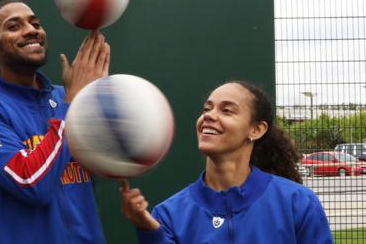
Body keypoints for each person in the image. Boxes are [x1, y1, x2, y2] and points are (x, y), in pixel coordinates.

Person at [0, 0, 110, 244]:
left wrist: (101, 108)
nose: (32, 29)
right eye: (14, 26)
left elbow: (105, 166)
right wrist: (73, 105)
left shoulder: (65, 97)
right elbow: (31, 182)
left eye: (35, 23)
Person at [120, 81, 333, 244]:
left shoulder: (298, 203)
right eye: (207, 109)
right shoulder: (168, 214)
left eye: (226, 110)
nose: (209, 116)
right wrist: (151, 233)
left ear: (256, 130)